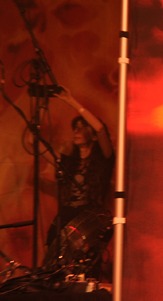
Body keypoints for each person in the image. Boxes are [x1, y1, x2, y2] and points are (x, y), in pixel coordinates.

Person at [44, 88, 114, 273]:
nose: (76, 131)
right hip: (65, 218)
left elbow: (100, 128)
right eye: (75, 128)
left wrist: (71, 101)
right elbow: (34, 145)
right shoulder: (69, 162)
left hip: (88, 220)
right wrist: (40, 110)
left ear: (93, 135)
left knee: (84, 268)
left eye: (83, 127)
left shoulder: (104, 160)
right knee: (53, 266)